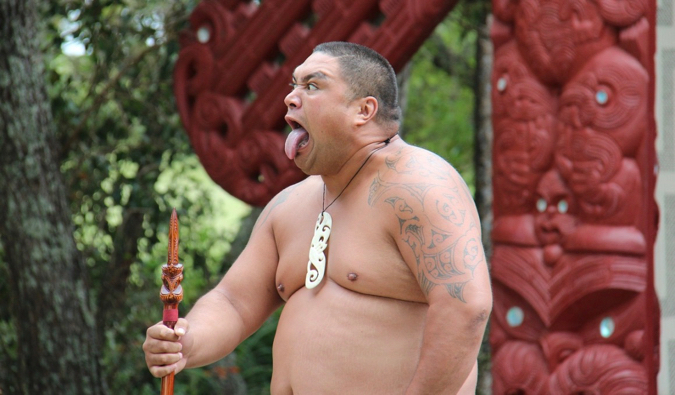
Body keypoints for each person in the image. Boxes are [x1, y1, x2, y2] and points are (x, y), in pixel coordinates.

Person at [143, 41, 492, 394]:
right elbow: (234, 302)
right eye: (293, 85)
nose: (291, 98)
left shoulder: (419, 184)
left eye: (312, 86)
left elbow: (466, 307)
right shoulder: (289, 205)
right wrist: (186, 342)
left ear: (364, 110)